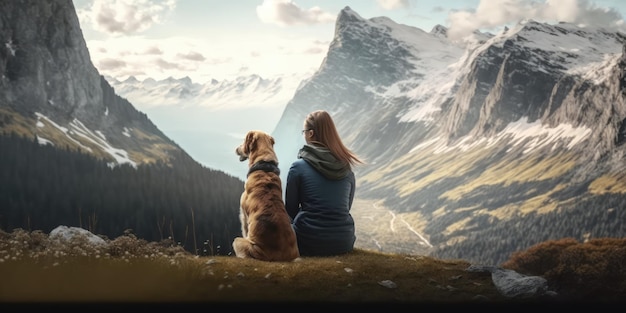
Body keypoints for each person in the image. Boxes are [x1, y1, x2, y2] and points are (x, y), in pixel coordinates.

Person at [284, 110, 363, 257]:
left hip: (307, 241)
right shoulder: (346, 169)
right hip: (343, 242)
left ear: (311, 133)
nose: (304, 135)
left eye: (304, 132)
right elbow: (345, 208)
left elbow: (290, 211)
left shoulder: (298, 167)